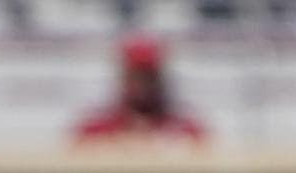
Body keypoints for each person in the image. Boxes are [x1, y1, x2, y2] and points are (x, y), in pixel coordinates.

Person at [75, 33, 210, 143]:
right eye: (136, 75)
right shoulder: (95, 131)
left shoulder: (186, 131)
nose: (142, 83)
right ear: (124, 76)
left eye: (148, 75)